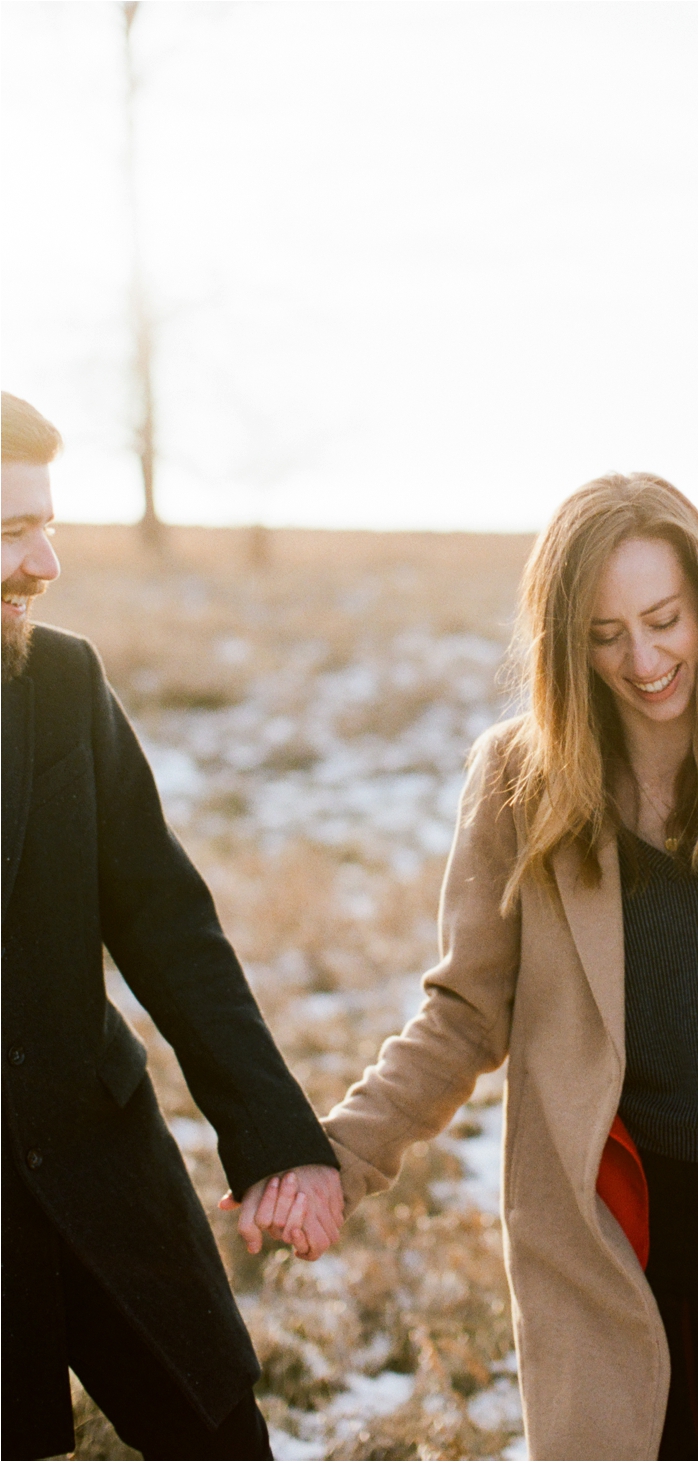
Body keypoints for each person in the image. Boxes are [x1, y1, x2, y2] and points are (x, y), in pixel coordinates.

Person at [280, 474, 698, 1459]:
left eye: (663, 620)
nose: (643, 659)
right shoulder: (519, 783)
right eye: (605, 634)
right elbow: (465, 1010)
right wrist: (342, 1157)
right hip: (616, 1235)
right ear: (565, 641)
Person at [1, 391, 344, 1462]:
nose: (45, 564)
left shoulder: (62, 687)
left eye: (47, 524)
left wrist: (278, 1140)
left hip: (104, 1181)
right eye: (11, 532)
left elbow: (169, 928)